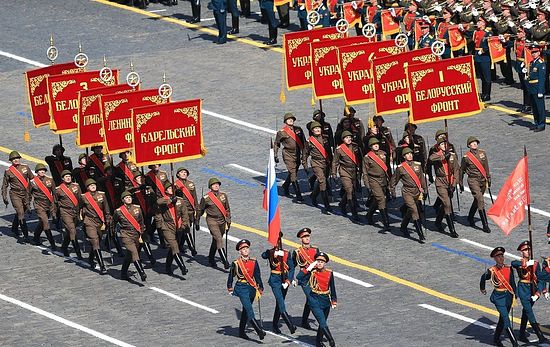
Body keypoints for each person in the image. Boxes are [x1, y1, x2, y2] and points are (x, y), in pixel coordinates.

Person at [511, 241, 550, 343]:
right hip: (523, 290)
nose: (527, 251)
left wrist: (542, 292)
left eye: (528, 249)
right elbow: (513, 263)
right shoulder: (519, 263)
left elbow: (540, 279)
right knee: (529, 312)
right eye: (525, 250)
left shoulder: (536, 264)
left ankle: (521, 334)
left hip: (532, 289)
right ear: (521, 252)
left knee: (525, 312)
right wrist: (526, 263)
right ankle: (540, 336)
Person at [480, 247, 519, 347]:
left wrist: (515, 294)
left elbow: (512, 282)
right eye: (498, 256)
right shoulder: (492, 271)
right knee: (506, 319)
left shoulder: (509, 268)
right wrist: (483, 288)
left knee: (502, 318)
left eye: (502, 256)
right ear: (494, 258)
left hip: (508, 297)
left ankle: (496, 338)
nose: (501, 258)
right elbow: (483, 277)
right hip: (499, 298)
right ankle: (515, 343)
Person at [227, 239, 266, 340]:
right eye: (243, 249)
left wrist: (260, 287)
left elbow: (257, 275)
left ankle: (241, 332)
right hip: (241, 288)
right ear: (240, 251)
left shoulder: (253, 261)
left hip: (252, 288)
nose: (245, 250)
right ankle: (259, 331)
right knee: (249, 309)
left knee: (245, 311)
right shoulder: (236, 263)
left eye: (246, 248)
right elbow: (231, 276)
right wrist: (230, 287)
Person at [296, 252, 337, 347]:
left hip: (326, 300)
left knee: (322, 323)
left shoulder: (329, 273)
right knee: (322, 322)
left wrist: (334, 301)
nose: (319, 263)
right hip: (314, 301)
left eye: (322, 262)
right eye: (318, 261)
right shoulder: (311, 272)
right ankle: (332, 341)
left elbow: (332, 288)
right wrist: (309, 268)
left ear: (325, 263)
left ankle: (318, 341)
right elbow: (299, 278)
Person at [389, 148, 427, 242]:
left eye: (411, 153)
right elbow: (394, 181)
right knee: (414, 210)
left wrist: (425, 190)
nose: (410, 155)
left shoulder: (417, 165)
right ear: (404, 156)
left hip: (417, 192)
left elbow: (422, 178)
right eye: (407, 154)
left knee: (410, 211)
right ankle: (420, 234)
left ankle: (403, 226)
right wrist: (392, 192)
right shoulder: (400, 168)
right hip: (407, 192)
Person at [261, 236, 297, 334]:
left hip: (284, 279)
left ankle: (274, 324)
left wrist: (289, 280)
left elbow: (292, 268)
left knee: (279, 302)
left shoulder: (286, 253)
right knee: (281, 302)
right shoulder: (271, 252)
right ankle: (291, 326)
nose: (277, 243)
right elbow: (263, 255)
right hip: (275, 280)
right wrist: (272, 253)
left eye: (278, 241)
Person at [157, 181, 190, 276]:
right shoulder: (164, 200)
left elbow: (185, 215)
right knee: (174, 246)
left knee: (172, 249)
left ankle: (167, 266)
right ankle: (182, 267)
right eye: (169, 188)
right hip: (167, 227)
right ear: (166, 191)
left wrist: (183, 226)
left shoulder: (180, 200)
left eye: (172, 188)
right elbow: (158, 202)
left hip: (178, 227)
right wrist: (171, 201)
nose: (171, 190)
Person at [459, 136, 491, 233]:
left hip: (482, 180)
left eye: (475, 142)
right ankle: (485, 225)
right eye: (472, 143)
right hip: (473, 180)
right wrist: (460, 182)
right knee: (480, 199)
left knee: (477, 200)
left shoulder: (482, 153)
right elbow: (462, 170)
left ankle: (470, 217)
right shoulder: (466, 158)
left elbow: (486, 166)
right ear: (469, 145)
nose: (474, 144)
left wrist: (488, 178)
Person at [113, 191, 147, 282]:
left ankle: (123, 273)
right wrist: (112, 233)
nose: (129, 199)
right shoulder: (118, 211)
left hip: (136, 235)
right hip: (126, 235)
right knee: (134, 252)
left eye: (130, 197)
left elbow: (141, 222)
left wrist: (142, 233)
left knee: (129, 255)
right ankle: (142, 273)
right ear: (123, 200)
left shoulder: (137, 208)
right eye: (126, 198)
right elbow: (113, 223)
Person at [428, 138, 459, 238]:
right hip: (441, 182)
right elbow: (431, 159)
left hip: (449, 182)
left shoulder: (452, 155)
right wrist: (442, 157)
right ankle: (452, 230)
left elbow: (456, 171)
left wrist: (454, 185)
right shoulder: (436, 155)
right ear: (438, 146)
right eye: (441, 144)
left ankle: (437, 222)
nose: (444, 145)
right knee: (447, 203)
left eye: (445, 143)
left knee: (444, 204)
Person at [197, 178, 231, 268]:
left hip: (222, 221)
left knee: (215, 241)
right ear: (210, 187)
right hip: (212, 220)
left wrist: (229, 220)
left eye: (217, 184)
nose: (216, 186)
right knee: (219, 238)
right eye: (214, 184)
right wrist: (197, 221)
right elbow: (200, 210)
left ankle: (211, 258)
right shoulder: (206, 198)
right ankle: (225, 262)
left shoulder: (223, 195)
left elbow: (227, 209)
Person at [292, 227, 320, 330]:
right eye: (304, 237)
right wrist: (291, 278)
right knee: (312, 299)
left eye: (308, 236)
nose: (307, 238)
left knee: (310, 299)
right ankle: (321, 321)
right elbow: (292, 266)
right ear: (301, 239)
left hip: (315, 278)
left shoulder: (315, 250)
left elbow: (320, 263)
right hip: (304, 279)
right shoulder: (297, 252)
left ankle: (304, 320)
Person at [2, 151, 33, 242]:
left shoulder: (25, 167)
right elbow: (5, 185)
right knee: (20, 212)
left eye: (17, 158)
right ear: (11, 161)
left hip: (26, 193)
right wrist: (4, 196)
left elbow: (32, 180)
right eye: (13, 159)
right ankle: (26, 235)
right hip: (15, 194)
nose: (16, 160)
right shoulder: (8, 172)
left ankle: (14, 228)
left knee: (22, 211)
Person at [81, 179, 111, 274]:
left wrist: (107, 220)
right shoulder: (84, 197)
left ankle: (90, 258)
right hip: (89, 221)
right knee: (95, 241)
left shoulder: (102, 195)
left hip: (100, 221)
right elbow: (79, 208)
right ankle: (102, 266)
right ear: (87, 188)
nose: (93, 186)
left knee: (97, 241)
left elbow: (106, 208)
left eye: (94, 184)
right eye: (90, 185)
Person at [302, 121, 333, 214]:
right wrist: (305, 165)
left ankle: (314, 196)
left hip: (326, 162)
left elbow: (329, 152)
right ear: (312, 130)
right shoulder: (310, 141)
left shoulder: (325, 138)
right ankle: (326, 205)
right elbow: (305, 154)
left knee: (322, 182)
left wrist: (331, 163)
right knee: (322, 181)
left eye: (318, 128)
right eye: (315, 128)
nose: (317, 129)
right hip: (316, 162)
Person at [274, 113, 306, 201]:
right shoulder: (282, 132)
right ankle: (298, 194)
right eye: (289, 119)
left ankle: (286, 185)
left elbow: (303, 141)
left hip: (297, 153)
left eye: (292, 119)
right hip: (288, 154)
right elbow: (277, 143)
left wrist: (305, 153)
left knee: (294, 171)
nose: (291, 120)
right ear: (285, 121)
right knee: (293, 173)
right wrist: (275, 155)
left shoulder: (299, 129)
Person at [332, 131, 361, 222]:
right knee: (349, 190)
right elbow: (335, 162)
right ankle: (354, 214)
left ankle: (342, 204)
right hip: (345, 171)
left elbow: (360, 158)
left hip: (354, 171)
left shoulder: (355, 146)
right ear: (343, 139)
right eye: (346, 138)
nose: (349, 139)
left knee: (352, 190)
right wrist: (334, 173)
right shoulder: (339, 149)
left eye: (350, 137)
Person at [363, 137, 390, 231]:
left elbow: (387, 168)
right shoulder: (367, 157)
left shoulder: (383, 154)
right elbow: (365, 172)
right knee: (381, 199)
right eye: (374, 145)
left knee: (377, 199)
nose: (376, 145)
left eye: (377, 144)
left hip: (383, 180)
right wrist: (367, 184)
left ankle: (369, 215)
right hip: (373, 180)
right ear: (370, 146)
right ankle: (386, 223)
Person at [55, 170, 83, 259]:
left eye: (69, 176)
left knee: (70, 231)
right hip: (66, 212)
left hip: (76, 212)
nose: (68, 178)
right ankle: (78, 253)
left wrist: (82, 211)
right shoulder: (58, 190)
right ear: (62, 179)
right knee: (72, 231)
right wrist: (54, 214)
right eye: (66, 176)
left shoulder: (76, 186)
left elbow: (80, 199)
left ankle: (64, 246)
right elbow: (55, 202)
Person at [30, 163, 56, 249]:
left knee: (42, 222)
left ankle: (35, 237)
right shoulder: (33, 182)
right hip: (39, 205)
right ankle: (52, 244)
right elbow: (28, 194)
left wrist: (55, 204)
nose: (42, 172)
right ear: (37, 172)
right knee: (45, 222)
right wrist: (27, 205)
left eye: (43, 170)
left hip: (48, 204)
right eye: (40, 170)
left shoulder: (50, 180)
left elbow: (54, 192)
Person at [174, 167, 198, 256]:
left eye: (185, 172)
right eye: (181, 172)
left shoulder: (191, 184)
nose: (184, 173)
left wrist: (197, 209)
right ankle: (192, 248)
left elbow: (194, 197)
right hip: (181, 210)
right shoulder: (175, 184)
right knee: (186, 227)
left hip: (190, 210)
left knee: (184, 229)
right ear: (177, 174)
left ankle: (180, 245)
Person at [526, 42, 547, 132]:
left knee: (540, 108)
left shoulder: (540, 64)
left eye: (535, 52)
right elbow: (530, 76)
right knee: (534, 108)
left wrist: (540, 91)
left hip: (537, 88)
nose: (533, 54)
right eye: (532, 52)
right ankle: (536, 123)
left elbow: (542, 79)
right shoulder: (532, 63)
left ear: (539, 52)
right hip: (532, 88)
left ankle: (541, 124)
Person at [474, 16, 492, 101]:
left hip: (485, 57)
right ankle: (484, 93)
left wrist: (484, 50)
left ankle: (487, 94)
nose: (477, 23)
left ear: (484, 24)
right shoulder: (476, 32)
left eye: (479, 22)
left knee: (487, 77)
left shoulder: (488, 33)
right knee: (481, 77)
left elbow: (490, 45)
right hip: (477, 56)